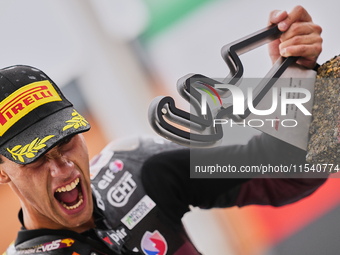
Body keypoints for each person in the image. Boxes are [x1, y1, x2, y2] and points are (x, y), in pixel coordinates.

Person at [1, 5, 324, 255]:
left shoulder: (132, 168)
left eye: (67, 141)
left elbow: (294, 170)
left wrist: (298, 75)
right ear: (3, 173)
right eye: (37, 157)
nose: (63, 168)